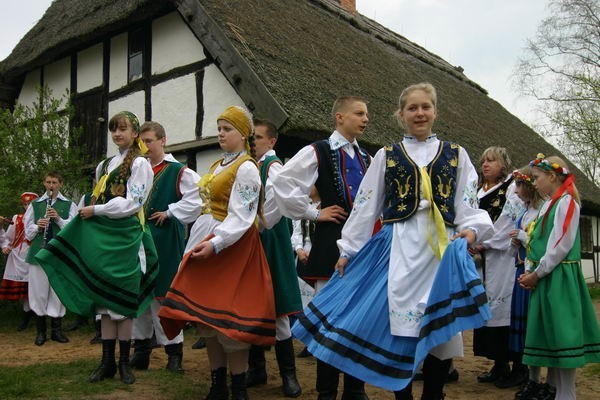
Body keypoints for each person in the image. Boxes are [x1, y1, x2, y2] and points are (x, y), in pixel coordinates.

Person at [291, 83, 495, 400]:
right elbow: (365, 207)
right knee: (400, 330)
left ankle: (434, 394)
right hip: (397, 248)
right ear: (401, 115)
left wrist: (471, 230)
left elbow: (467, 204)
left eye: (425, 106)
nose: (420, 113)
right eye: (412, 108)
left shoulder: (457, 155)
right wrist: (348, 251)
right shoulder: (386, 156)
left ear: (435, 111)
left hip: (440, 252)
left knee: (440, 333)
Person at [159, 105, 276, 400]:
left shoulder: (247, 167)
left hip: (231, 247)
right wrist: (200, 241)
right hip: (205, 240)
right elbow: (202, 207)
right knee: (206, 321)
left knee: (229, 322)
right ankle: (217, 385)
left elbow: (243, 216)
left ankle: (238, 388)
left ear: (243, 133)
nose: (221, 133)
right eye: (220, 128)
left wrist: (215, 243)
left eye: (227, 129)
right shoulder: (216, 166)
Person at [35, 111, 158, 385]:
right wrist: (81, 214)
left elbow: (133, 203)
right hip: (103, 236)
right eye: (113, 129)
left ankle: (125, 363)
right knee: (104, 303)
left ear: (135, 132)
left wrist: (97, 209)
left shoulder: (141, 164)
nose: (117, 134)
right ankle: (107, 363)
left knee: (123, 302)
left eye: (123, 129)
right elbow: (91, 199)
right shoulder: (105, 165)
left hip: (126, 236)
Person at [272, 96, 372, 399]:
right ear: (339, 117)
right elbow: (283, 183)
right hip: (330, 243)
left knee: (358, 320)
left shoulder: (366, 157)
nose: (365, 119)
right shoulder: (319, 151)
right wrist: (314, 212)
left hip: (363, 245)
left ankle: (355, 390)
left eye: (367, 114)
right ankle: (327, 392)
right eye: (359, 113)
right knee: (330, 321)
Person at [518, 154, 600, 400]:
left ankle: (566, 394)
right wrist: (531, 271)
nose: (535, 183)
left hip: (559, 278)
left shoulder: (567, 203)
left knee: (564, 335)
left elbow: (560, 245)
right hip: (547, 277)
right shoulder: (549, 204)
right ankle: (556, 392)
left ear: (552, 176)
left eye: (537, 178)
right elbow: (538, 241)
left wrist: (538, 272)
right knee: (552, 335)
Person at [127, 121, 201, 374]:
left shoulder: (178, 171)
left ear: (163, 141)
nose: (145, 146)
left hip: (164, 240)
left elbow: (199, 199)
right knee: (139, 297)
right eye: (142, 142)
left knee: (162, 297)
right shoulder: (136, 169)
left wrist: (171, 212)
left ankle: (174, 352)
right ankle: (142, 351)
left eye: (149, 141)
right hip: (137, 241)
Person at [245, 118, 303, 397]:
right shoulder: (250, 166)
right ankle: (256, 369)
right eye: (251, 137)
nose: (253, 141)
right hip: (253, 241)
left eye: (257, 137)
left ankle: (288, 376)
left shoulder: (274, 167)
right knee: (254, 305)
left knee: (277, 306)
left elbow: (277, 207)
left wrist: (256, 226)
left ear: (272, 141)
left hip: (271, 241)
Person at [470, 147, 524, 385]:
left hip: (501, 258)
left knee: (504, 307)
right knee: (485, 309)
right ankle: (498, 364)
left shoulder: (511, 188)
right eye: (483, 161)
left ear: (503, 164)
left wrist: (486, 243)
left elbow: (508, 222)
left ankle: (517, 366)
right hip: (480, 260)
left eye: (491, 161)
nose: (486, 165)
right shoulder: (475, 190)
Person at [503, 167, 546, 397]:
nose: (516, 191)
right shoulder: (525, 211)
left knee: (533, 327)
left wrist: (523, 237)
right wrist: (514, 243)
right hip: (521, 270)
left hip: (533, 274)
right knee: (523, 328)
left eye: (519, 186)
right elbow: (516, 249)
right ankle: (530, 377)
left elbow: (543, 242)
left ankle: (537, 379)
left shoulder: (541, 212)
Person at [24, 172, 78, 346]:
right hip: (39, 253)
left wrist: (58, 219)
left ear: (60, 184)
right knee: (38, 291)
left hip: (59, 254)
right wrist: (38, 225)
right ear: (44, 183)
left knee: (56, 291)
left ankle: (57, 331)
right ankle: (41, 332)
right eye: (48, 182)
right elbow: (27, 231)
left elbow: (75, 227)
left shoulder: (69, 204)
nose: (51, 185)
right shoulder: (35, 204)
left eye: (54, 182)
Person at [0, 192, 38, 330]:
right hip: (18, 256)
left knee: (35, 287)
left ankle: (34, 315)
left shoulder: (41, 219)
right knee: (25, 290)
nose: (27, 206)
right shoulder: (17, 219)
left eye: (30, 204)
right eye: (25, 204)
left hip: (34, 255)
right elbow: (8, 238)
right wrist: (4, 246)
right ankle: (26, 316)